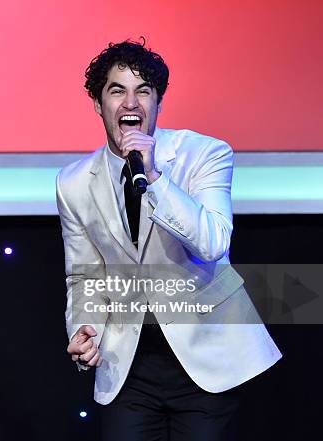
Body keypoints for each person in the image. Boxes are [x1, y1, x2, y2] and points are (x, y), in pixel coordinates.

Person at [57, 39, 281, 440]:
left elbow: (213, 243)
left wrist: (156, 178)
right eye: (117, 91)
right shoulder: (73, 182)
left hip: (207, 354)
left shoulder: (206, 154)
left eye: (143, 91)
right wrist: (84, 327)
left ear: (158, 102)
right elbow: (84, 277)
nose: (131, 104)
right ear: (98, 104)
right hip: (127, 362)